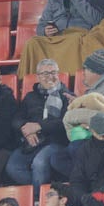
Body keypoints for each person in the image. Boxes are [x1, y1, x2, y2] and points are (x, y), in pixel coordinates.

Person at [19, 0, 102, 77]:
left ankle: (71, 81)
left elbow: (96, 20)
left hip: (81, 36)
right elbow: (41, 26)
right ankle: (27, 83)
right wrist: (45, 31)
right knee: (32, 43)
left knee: (74, 40)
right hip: (57, 37)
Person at [8, 60, 74, 193]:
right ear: (38, 76)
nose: (49, 76)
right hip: (32, 142)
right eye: (45, 73)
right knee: (13, 167)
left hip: (57, 142)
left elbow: (65, 122)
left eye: (53, 72)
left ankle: (38, 200)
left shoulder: (68, 96)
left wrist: (39, 126)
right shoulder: (30, 97)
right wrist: (26, 129)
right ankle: (46, 190)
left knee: (39, 163)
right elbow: (16, 119)